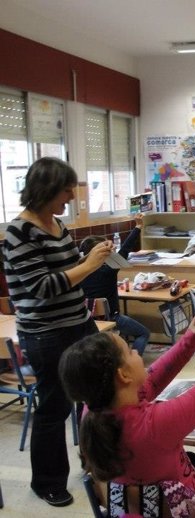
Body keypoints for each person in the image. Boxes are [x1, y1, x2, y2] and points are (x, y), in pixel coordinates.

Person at [58, 290, 195, 518]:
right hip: (175, 508)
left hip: (135, 502)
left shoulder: (96, 408)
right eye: (129, 351)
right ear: (124, 375)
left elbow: (155, 378)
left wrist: (190, 339)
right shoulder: (154, 424)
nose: (135, 351)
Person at [2, 157, 113, 507]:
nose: (70, 196)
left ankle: (100, 463)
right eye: (66, 190)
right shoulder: (17, 233)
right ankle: (47, 482)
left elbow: (67, 270)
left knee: (102, 392)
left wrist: (91, 257)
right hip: (46, 333)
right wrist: (88, 264)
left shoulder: (57, 224)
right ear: (47, 189)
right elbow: (42, 287)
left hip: (77, 322)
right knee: (54, 407)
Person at [79, 212, 150, 355]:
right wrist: (138, 226)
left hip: (87, 322)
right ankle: (132, 362)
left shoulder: (78, 272)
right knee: (143, 333)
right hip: (111, 318)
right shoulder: (108, 270)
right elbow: (125, 249)